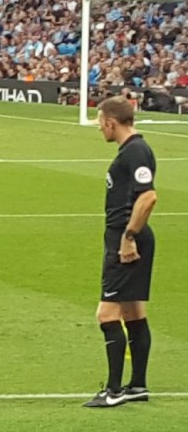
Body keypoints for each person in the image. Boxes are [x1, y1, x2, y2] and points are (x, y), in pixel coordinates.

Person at [83, 97, 157, 408]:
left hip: (126, 239)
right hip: (125, 237)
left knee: (106, 314)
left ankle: (113, 391)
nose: (99, 127)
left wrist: (128, 238)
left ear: (112, 122)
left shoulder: (136, 151)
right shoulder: (131, 151)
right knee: (133, 313)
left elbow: (148, 197)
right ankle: (137, 385)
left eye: (101, 121)